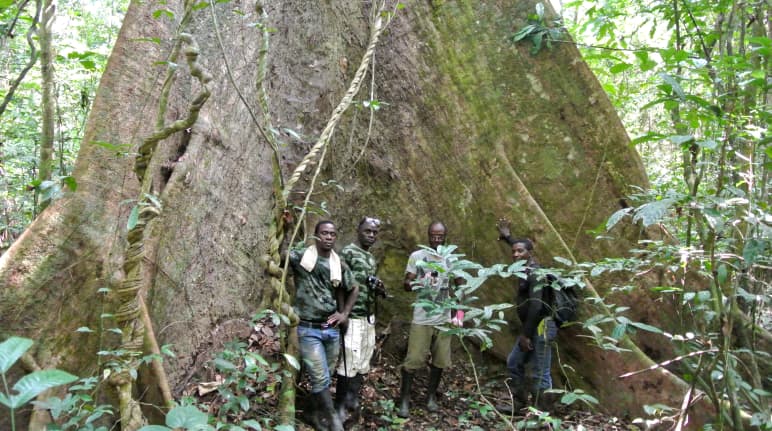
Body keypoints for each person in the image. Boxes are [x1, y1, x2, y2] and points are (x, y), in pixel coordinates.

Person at [287, 220, 358, 431]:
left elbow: (353, 288)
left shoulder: (338, 264)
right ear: (316, 235)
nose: (328, 237)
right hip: (308, 328)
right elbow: (281, 257)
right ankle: (335, 422)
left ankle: (311, 414)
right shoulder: (302, 257)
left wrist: (344, 314)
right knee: (319, 378)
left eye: (332, 234)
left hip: (331, 329)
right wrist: (289, 226)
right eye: (324, 233)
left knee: (324, 380)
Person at [397, 221, 463, 418]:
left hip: (443, 318)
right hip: (422, 317)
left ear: (445, 236)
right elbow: (406, 283)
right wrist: (418, 281)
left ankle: (431, 396)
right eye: (433, 235)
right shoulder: (418, 256)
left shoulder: (451, 258)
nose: (436, 239)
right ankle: (404, 399)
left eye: (440, 236)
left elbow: (460, 286)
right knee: (413, 360)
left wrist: (458, 315)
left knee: (440, 360)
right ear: (428, 235)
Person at [496, 218, 558, 412]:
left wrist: (525, 334)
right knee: (514, 363)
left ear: (530, 253)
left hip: (542, 327)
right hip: (532, 327)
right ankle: (520, 403)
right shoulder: (524, 266)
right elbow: (520, 246)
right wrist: (507, 237)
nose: (515, 254)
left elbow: (536, 306)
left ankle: (543, 415)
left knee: (541, 371)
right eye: (513, 251)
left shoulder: (535, 273)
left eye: (519, 251)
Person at [335, 216, 386, 423]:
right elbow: (338, 284)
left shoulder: (371, 258)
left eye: (374, 232)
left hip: (368, 317)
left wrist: (380, 288)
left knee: (363, 359)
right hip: (352, 316)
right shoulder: (348, 252)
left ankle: (352, 400)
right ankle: (339, 406)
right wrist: (342, 314)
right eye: (368, 231)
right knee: (348, 362)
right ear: (358, 230)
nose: (371, 235)